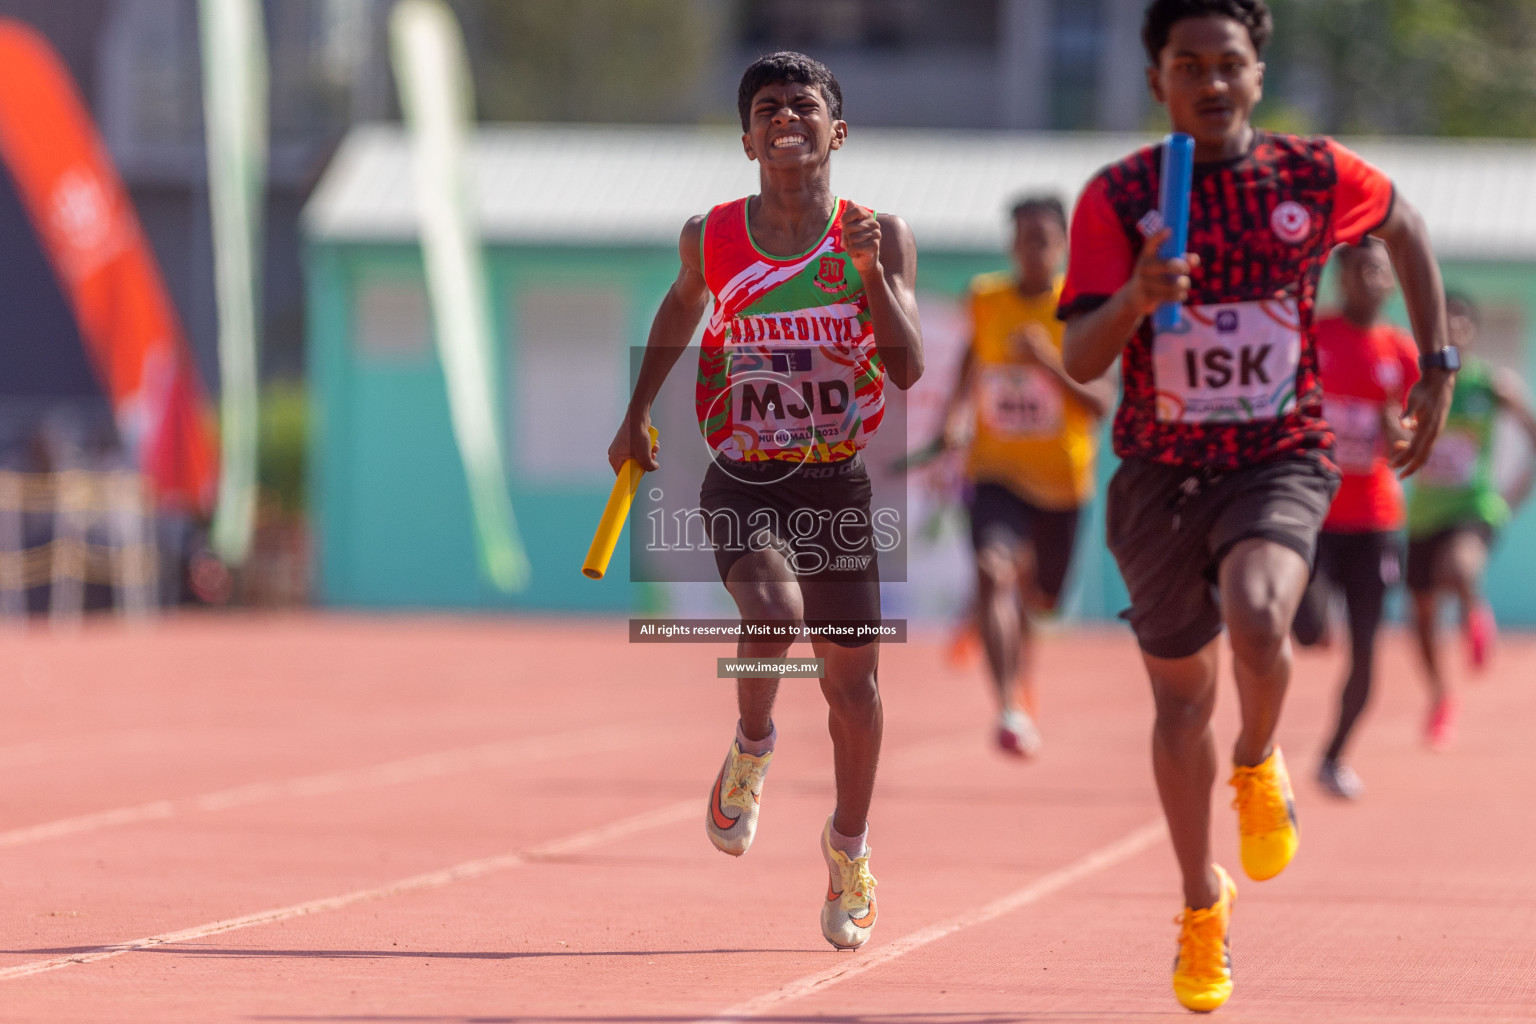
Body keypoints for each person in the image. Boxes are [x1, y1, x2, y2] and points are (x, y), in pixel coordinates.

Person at [1057, 0, 1455, 1011]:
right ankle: (1200, 905)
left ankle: (1258, 755)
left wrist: (1437, 367)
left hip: (1279, 454)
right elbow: (1080, 356)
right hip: (1156, 472)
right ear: (1158, 83)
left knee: (1262, 608)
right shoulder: (1121, 195)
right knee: (1178, 702)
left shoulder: (1311, 175)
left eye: (1227, 63)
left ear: (1256, 75)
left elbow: (1404, 223)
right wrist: (1139, 299)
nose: (1210, 82)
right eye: (1187, 65)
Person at [606, 52, 923, 951]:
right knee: (773, 610)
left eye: (805, 105)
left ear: (837, 130)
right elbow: (679, 310)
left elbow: (905, 369)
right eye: (769, 108)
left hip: (836, 481)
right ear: (748, 138)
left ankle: (847, 847)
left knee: (854, 690)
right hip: (744, 472)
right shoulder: (711, 235)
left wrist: (869, 277)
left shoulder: (876, 233)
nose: (787, 117)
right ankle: (752, 743)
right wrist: (635, 414)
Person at [935, 195, 1113, 756]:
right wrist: (955, 418)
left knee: (1042, 601)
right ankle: (1009, 705)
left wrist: (1047, 364)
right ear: (1012, 245)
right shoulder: (987, 299)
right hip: (995, 469)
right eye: (1023, 238)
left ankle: (1003, 635)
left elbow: (1099, 404)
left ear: (1063, 247)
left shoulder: (1081, 311)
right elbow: (971, 355)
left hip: (1062, 482)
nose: (1032, 249)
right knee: (993, 569)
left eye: (1043, 238)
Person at [1290, 240, 1419, 799]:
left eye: (1379, 271)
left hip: (1375, 521)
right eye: (1359, 269)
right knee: (1310, 628)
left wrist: (1401, 434)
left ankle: (1334, 755)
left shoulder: (1402, 353)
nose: (1370, 279)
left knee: (1366, 647)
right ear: (1342, 278)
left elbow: (1417, 439)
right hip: (1315, 514)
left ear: (1391, 282)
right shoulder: (1314, 339)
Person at [1405, 293, 1536, 749]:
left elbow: (1532, 433)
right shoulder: (1418, 383)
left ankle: (1473, 613)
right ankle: (1442, 700)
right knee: (1420, 618)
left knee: (1460, 567)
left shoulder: (1490, 386)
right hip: (1423, 515)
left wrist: (1510, 497)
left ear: (1474, 331)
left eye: (1463, 319)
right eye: (1446, 320)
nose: (1455, 326)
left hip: (1473, 508)